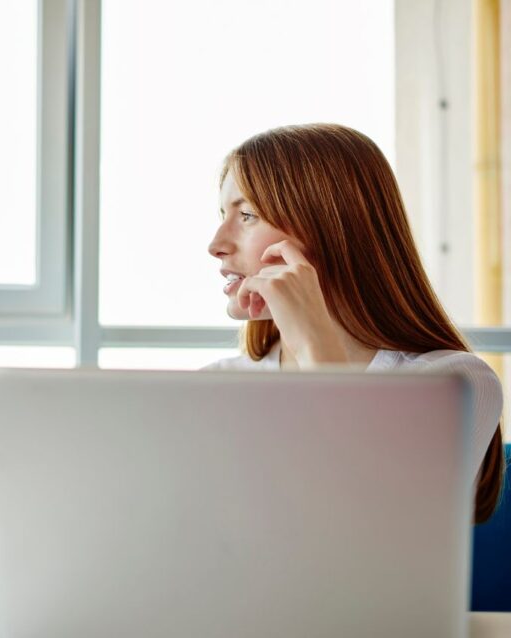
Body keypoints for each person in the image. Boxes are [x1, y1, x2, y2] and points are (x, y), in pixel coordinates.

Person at [205, 123, 505, 523]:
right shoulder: (218, 385)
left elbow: (384, 541)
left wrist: (316, 346)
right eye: (222, 215)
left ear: (330, 227)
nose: (216, 244)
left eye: (247, 215)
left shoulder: (454, 384)